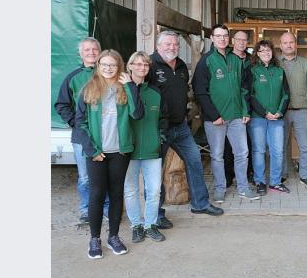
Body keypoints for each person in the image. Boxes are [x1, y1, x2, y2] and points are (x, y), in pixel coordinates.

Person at [74, 50, 144, 258]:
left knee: (116, 194)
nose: (108, 68)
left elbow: (137, 113)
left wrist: (131, 85)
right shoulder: (88, 89)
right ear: (98, 66)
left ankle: (113, 236)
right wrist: (92, 150)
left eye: (112, 65)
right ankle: (94, 239)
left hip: (119, 152)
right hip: (97, 153)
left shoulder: (124, 88)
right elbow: (80, 123)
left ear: (119, 67)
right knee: (96, 194)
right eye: (104, 64)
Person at [149, 30, 224, 218]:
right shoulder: (149, 64)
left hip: (180, 126)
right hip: (159, 129)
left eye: (175, 44)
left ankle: (200, 203)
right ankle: (155, 215)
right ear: (158, 46)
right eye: (168, 44)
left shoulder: (181, 66)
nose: (172, 47)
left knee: (194, 161)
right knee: (155, 171)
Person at [192, 24, 257, 202]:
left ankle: (243, 187)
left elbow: (244, 88)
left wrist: (245, 110)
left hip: (237, 117)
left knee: (242, 153)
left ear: (229, 39)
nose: (222, 39)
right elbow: (200, 91)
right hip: (215, 120)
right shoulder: (206, 61)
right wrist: (214, 115)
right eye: (218, 36)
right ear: (212, 39)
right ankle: (220, 189)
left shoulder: (236, 60)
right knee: (217, 155)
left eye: (225, 36)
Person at [54, 37, 109, 223]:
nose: (91, 53)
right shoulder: (73, 77)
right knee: (85, 177)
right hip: (81, 137)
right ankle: (86, 210)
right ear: (81, 53)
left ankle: (107, 209)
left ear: (100, 51)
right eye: (87, 50)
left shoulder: (108, 74)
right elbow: (61, 104)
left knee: (106, 174)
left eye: (95, 49)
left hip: (107, 135)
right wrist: (74, 122)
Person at [123, 51, 168, 244]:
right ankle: (136, 225)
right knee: (131, 190)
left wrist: (161, 138)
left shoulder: (156, 92)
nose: (142, 68)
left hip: (151, 149)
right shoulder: (121, 89)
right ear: (130, 66)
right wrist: (130, 87)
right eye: (138, 64)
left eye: (146, 65)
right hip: (128, 150)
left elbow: (164, 118)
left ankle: (150, 224)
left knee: (154, 190)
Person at [245, 40, 291, 194]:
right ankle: (260, 182)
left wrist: (279, 112)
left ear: (273, 53)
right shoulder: (252, 70)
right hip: (258, 118)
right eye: (262, 50)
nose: (266, 53)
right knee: (259, 150)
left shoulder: (279, 71)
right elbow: (249, 95)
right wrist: (264, 112)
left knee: (277, 151)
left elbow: (286, 94)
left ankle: (275, 182)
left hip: (277, 119)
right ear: (256, 53)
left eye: (268, 50)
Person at [279, 31, 307, 188]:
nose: (289, 45)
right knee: (280, 145)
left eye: (291, 42)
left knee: (304, 146)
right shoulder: (275, 63)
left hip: (302, 110)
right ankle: (281, 174)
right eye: (285, 43)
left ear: (295, 44)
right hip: (281, 112)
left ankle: (305, 175)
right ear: (280, 45)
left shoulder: (304, 63)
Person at [224, 30, 253, 189]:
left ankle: (248, 173)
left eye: (245, 40)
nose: (242, 43)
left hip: (250, 106)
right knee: (229, 144)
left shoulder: (251, 59)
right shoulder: (227, 58)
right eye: (239, 40)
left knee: (249, 143)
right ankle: (229, 175)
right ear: (232, 41)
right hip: (233, 107)